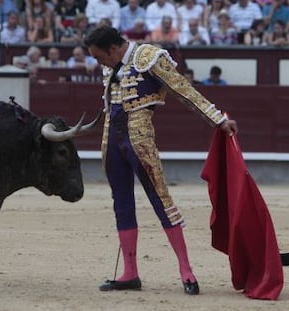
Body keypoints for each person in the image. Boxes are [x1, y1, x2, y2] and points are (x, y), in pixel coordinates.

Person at [83, 26, 237, 294]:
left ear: (113, 49)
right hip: (111, 138)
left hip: (139, 138)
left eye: (99, 57)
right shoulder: (110, 66)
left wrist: (218, 120)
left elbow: (184, 91)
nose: (99, 63)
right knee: (121, 202)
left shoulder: (150, 57)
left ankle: (186, 271)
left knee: (161, 201)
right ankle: (130, 273)